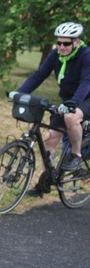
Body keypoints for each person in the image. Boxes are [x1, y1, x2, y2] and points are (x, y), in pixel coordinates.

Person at [10, 22, 90, 194]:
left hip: (86, 98)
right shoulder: (55, 55)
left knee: (71, 117)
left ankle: (76, 155)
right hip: (68, 100)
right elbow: (39, 75)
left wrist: (73, 104)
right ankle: (47, 181)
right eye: (59, 42)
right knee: (49, 141)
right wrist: (19, 93)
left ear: (76, 42)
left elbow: (86, 83)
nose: (61, 46)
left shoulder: (86, 55)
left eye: (66, 43)